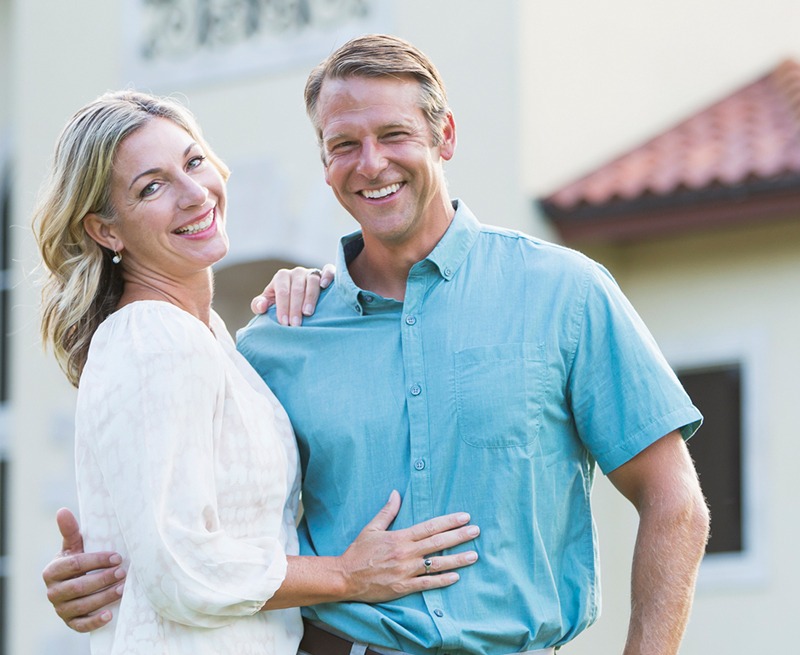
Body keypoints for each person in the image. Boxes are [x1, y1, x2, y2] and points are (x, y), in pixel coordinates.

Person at [43, 35, 710, 655]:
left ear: (444, 136)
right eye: (344, 144)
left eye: (394, 134)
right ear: (325, 161)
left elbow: (674, 502)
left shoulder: (567, 293)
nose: (372, 164)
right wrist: (107, 569)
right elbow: (195, 533)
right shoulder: (276, 339)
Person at [33, 89, 480, 654]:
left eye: (193, 162)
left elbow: (201, 535)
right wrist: (348, 574)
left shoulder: (214, 341)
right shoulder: (152, 336)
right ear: (106, 230)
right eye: (152, 187)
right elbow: (181, 567)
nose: (194, 195)